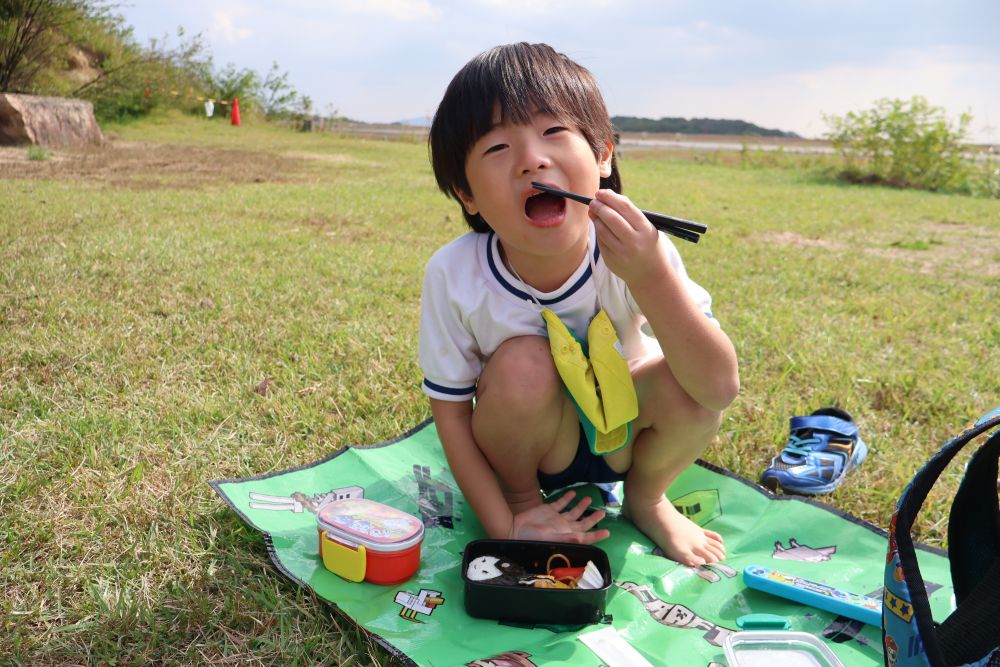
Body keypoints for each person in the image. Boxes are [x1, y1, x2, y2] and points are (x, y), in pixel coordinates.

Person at [419, 43, 739, 566]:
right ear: (466, 194)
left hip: (627, 438)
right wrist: (508, 522)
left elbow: (718, 387)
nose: (532, 160)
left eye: (553, 132)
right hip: (530, 453)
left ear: (603, 156)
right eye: (497, 148)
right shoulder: (454, 274)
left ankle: (647, 497)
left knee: (686, 383)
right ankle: (526, 502)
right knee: (525, 361)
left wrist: (651, 275)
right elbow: (450, 414)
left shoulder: (641, 249)